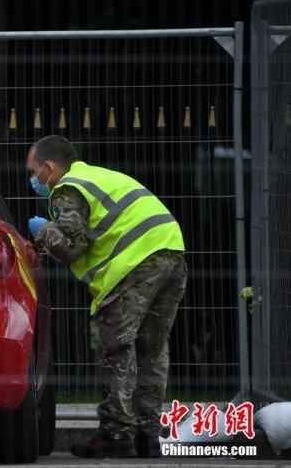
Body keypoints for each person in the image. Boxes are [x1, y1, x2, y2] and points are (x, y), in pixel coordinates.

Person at [26, 135, 187, 458]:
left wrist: (42, 230)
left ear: (49, 167)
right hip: (172, 252)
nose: (33, 180)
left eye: (33, 171)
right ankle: (148, 435)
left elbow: (73, 246)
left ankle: (116, 434)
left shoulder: (68, 187)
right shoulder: (100, 176)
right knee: (152, 350)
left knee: (117, 348)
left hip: (136, 262)